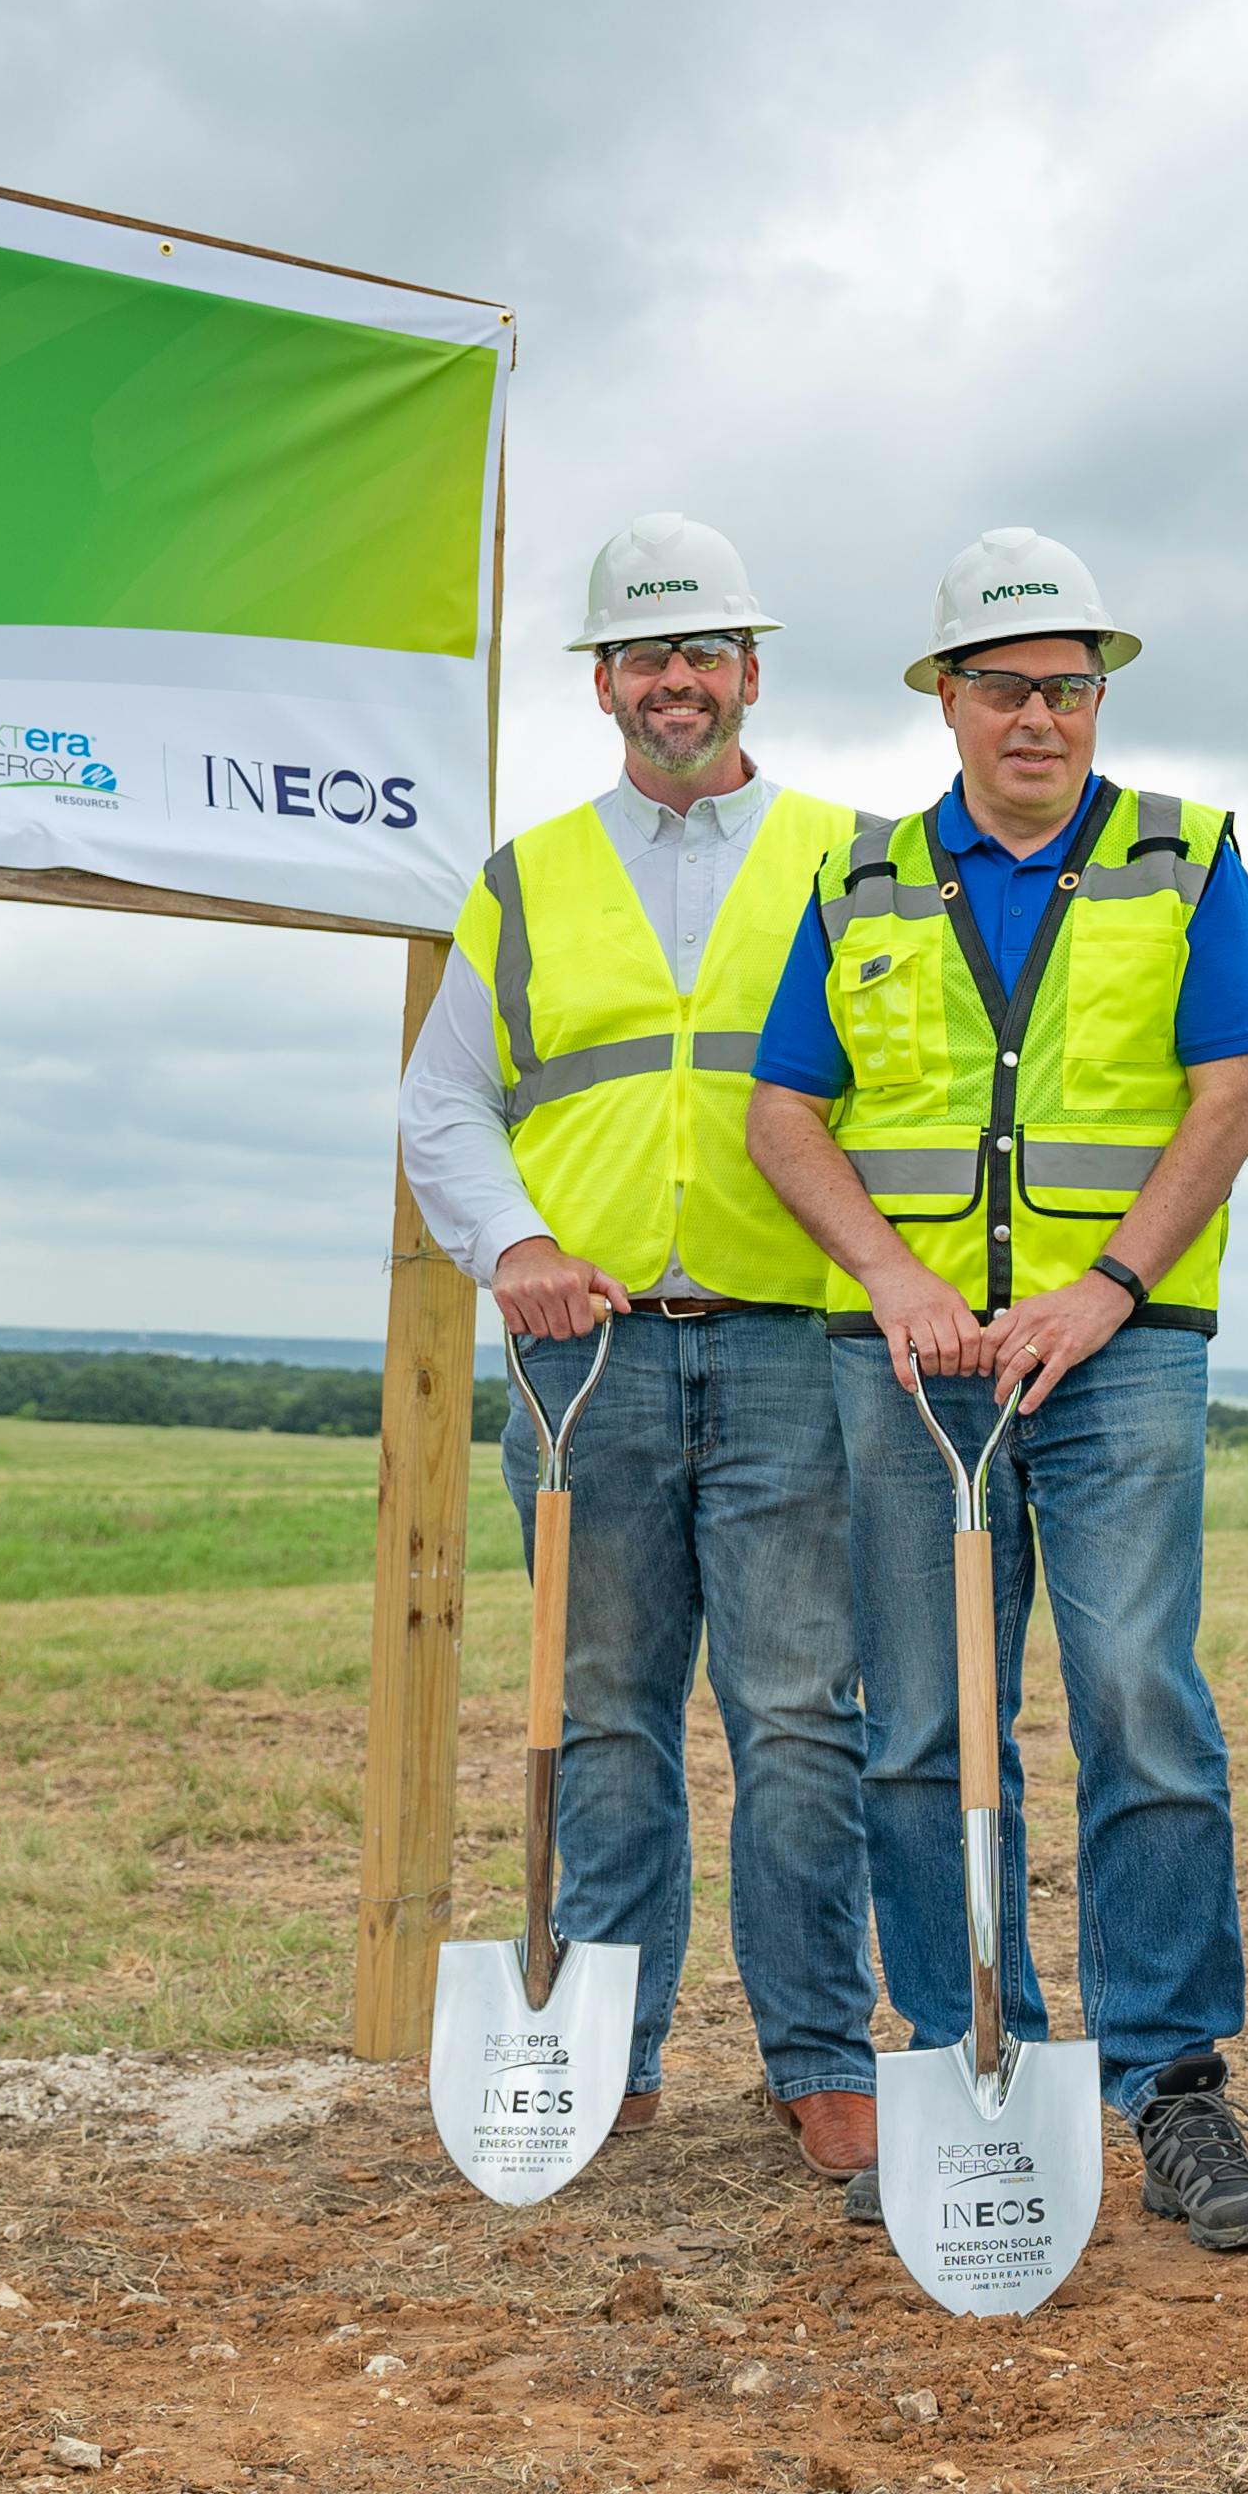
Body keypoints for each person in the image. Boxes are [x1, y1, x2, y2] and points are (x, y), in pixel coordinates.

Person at [745, 526, 1248, 2249]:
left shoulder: (1189, 857)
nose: (1039, 718)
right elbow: (787, 1115)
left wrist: (1107, 1284)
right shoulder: (863, 881)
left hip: (1118, 1357)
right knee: (921, 1729)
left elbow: (1231, 1101)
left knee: (1138, 1699)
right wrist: (895, 1280)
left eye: (1069, 686)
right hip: (910, 1372)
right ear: (947, 701)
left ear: (1099, 696)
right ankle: (974, 2061)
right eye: (1005, 687)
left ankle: (1173, 2088)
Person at [398, 512, 880, 2185]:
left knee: (804, 1714)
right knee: (603, 1714)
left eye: (703, 652)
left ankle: (824, 2057)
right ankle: (607, 2050)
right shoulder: (525, 879)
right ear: (604, 682)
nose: (676, 681)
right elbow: (445, 1102)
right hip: (582, 1358)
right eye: (644, 654)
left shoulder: (861, 856)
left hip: (796, 1352)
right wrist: (512, 1245)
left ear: (750, 672)